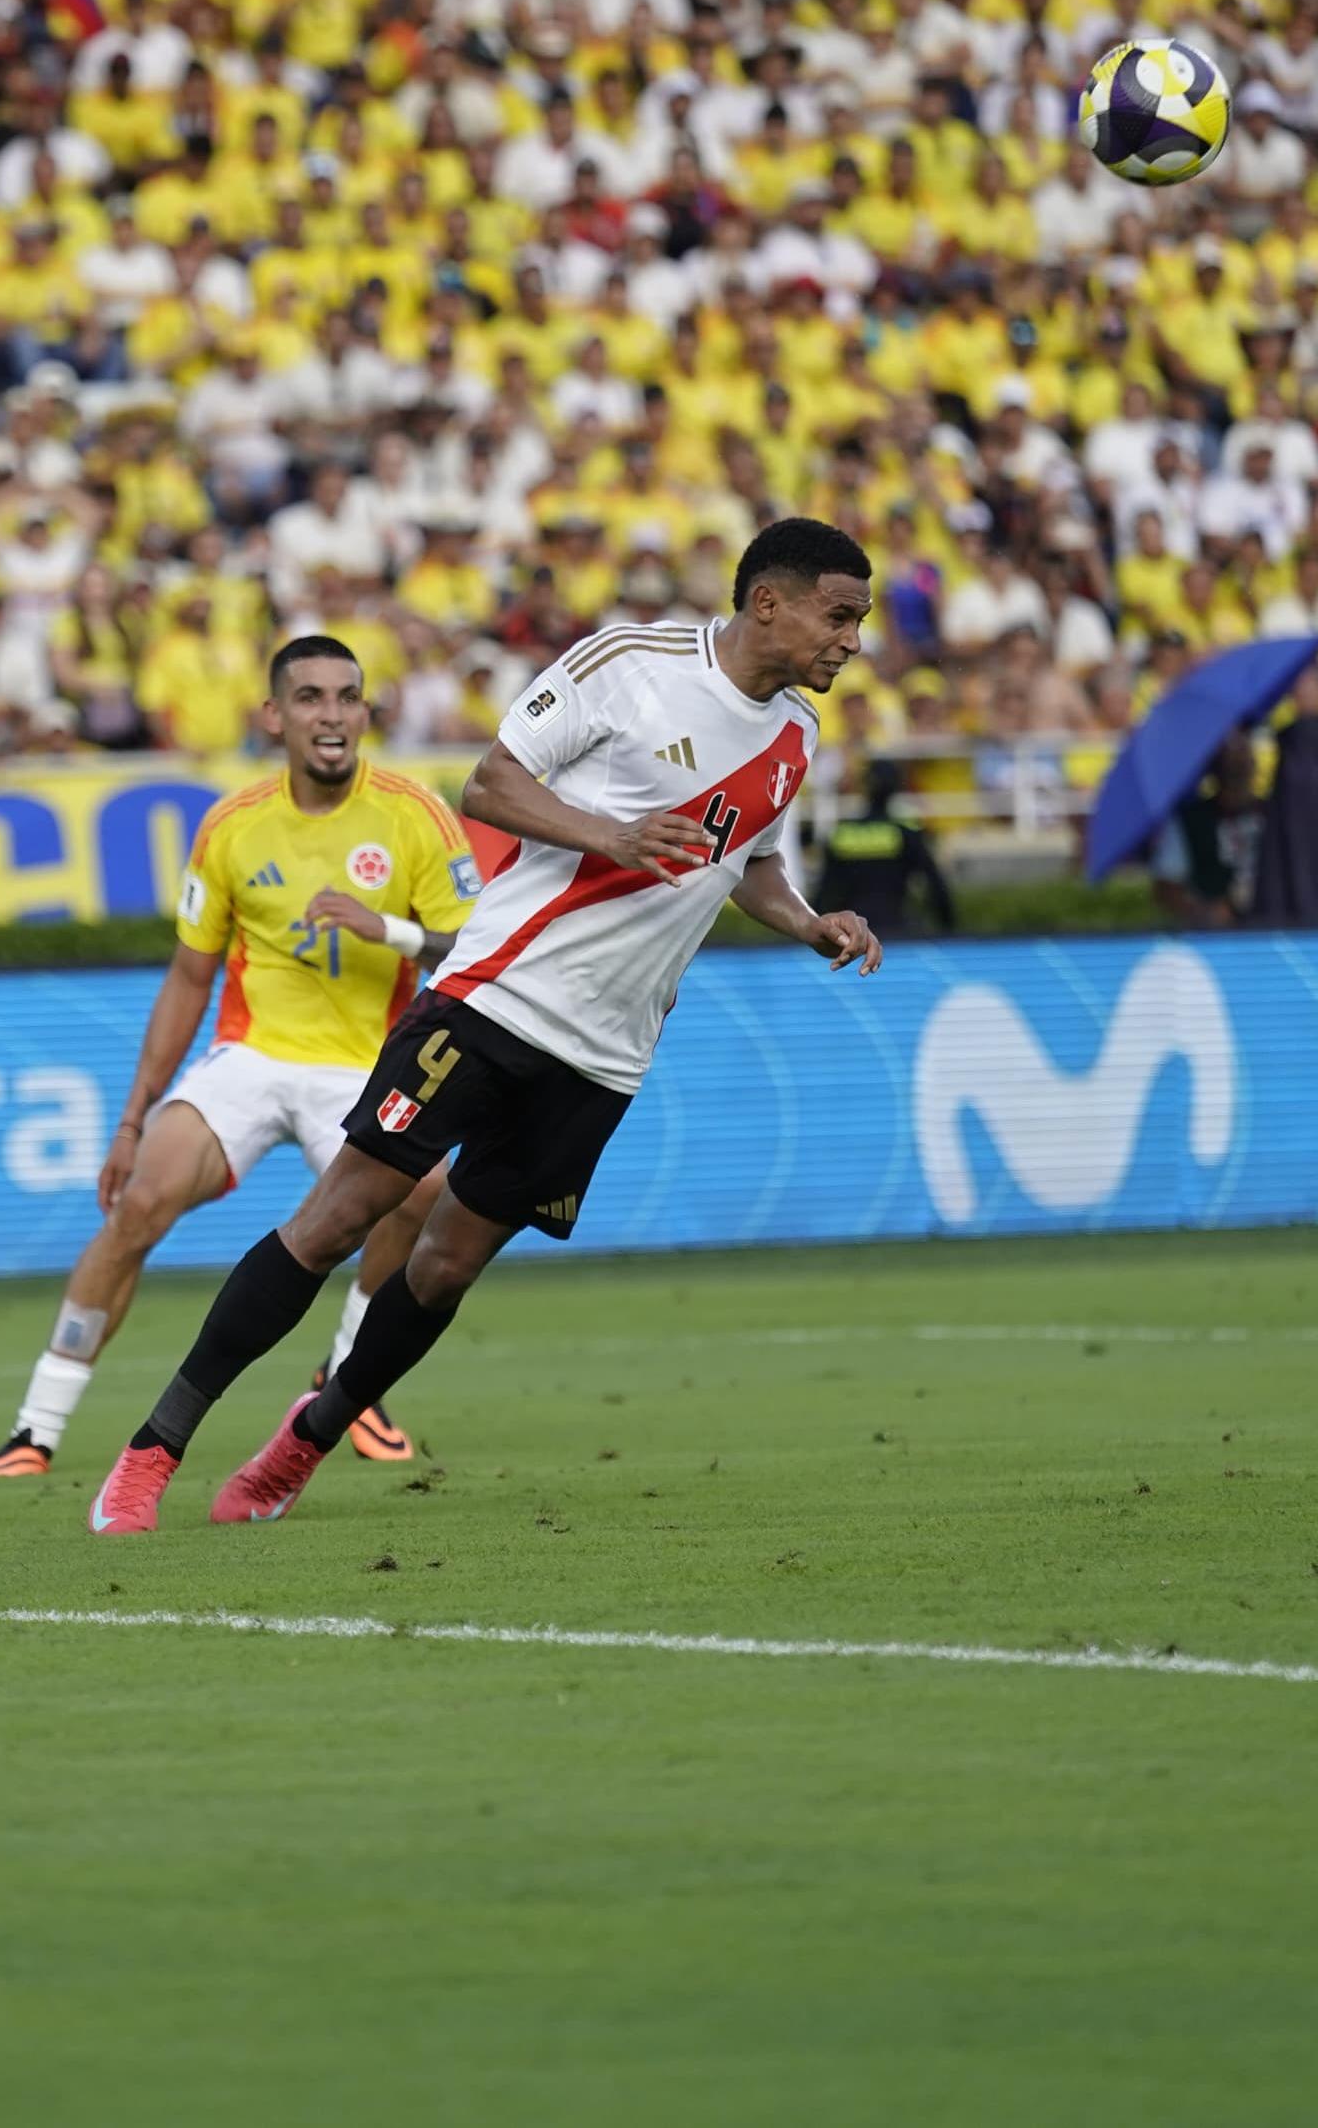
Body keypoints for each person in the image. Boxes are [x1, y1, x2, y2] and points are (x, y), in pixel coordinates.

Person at [90, 519, 885, 1534]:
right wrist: (609, 833)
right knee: (336, 1219)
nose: (850, 641)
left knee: (447, 1264)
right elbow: (490, 782)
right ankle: (153, 1449)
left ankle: (303, 1441)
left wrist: (810, 921)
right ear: (767, 602)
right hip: (493, 1001)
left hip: (604, 1058)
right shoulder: (630, 665)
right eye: (838, 615)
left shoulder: (796, 737)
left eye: (855, 621)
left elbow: (748, 864)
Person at [0, 634, 474, 1478]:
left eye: (348, 697)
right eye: (311, 697)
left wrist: (382, 928)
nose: (333, 714)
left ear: (365, 713)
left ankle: (348, 1378)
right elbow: (187, 979)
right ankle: (36, 1427)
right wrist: (132, 1119)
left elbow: (476, 950)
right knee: (139, 1203)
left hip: (360, 1063)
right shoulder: (233, 824)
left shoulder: (413, 813)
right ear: (273, 716)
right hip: (250, 1055)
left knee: (421, 1194)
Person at [810, 760, 956, 936]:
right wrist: (949, 931)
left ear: (865, 788)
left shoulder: (840, 834)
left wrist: (815, 934)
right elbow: (936, 889)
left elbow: (823, 893)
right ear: (896, 788)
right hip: (897, 930)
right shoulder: (906, 835)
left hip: (852, 936)